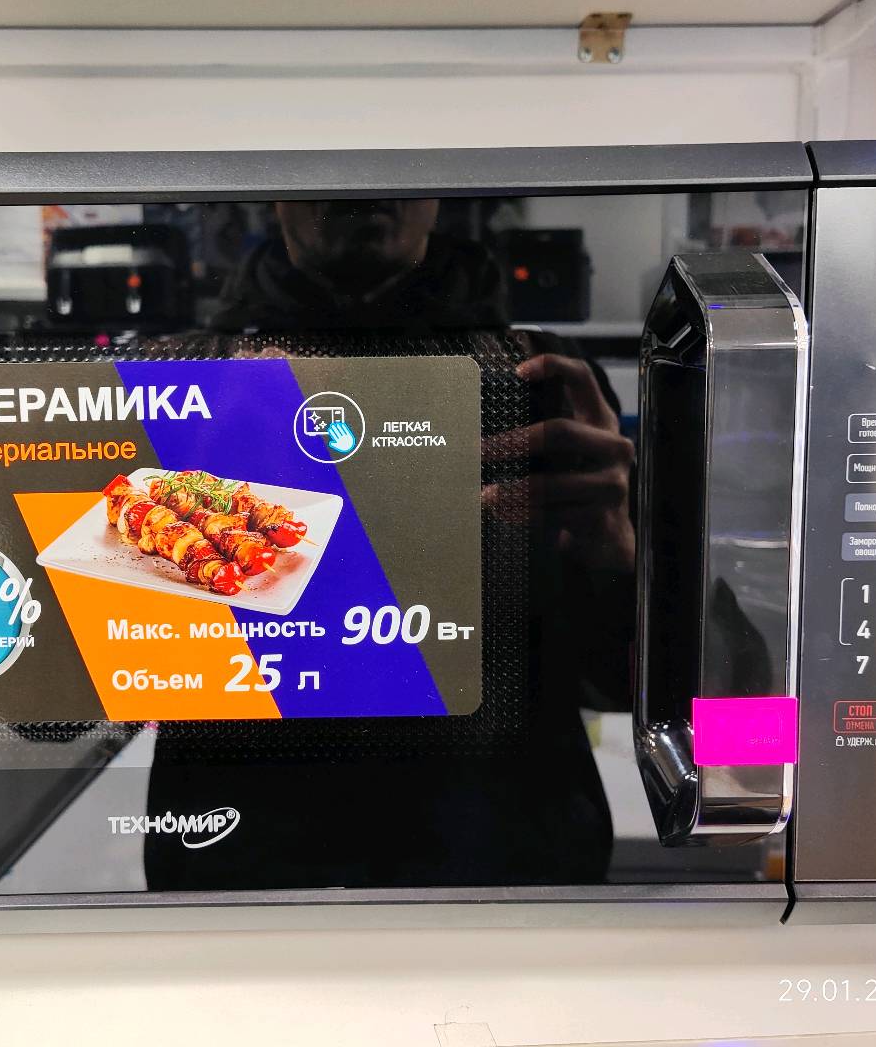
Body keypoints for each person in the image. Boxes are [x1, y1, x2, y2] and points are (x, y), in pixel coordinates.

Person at [143, 198, 636, 890]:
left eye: (389, 167)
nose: (359, 189)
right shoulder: (181, 383)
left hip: (486, 859)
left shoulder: (541, 379)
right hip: (282, 865)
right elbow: (53, 716)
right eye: (324, 164)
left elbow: (633, 685)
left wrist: (616, 556)